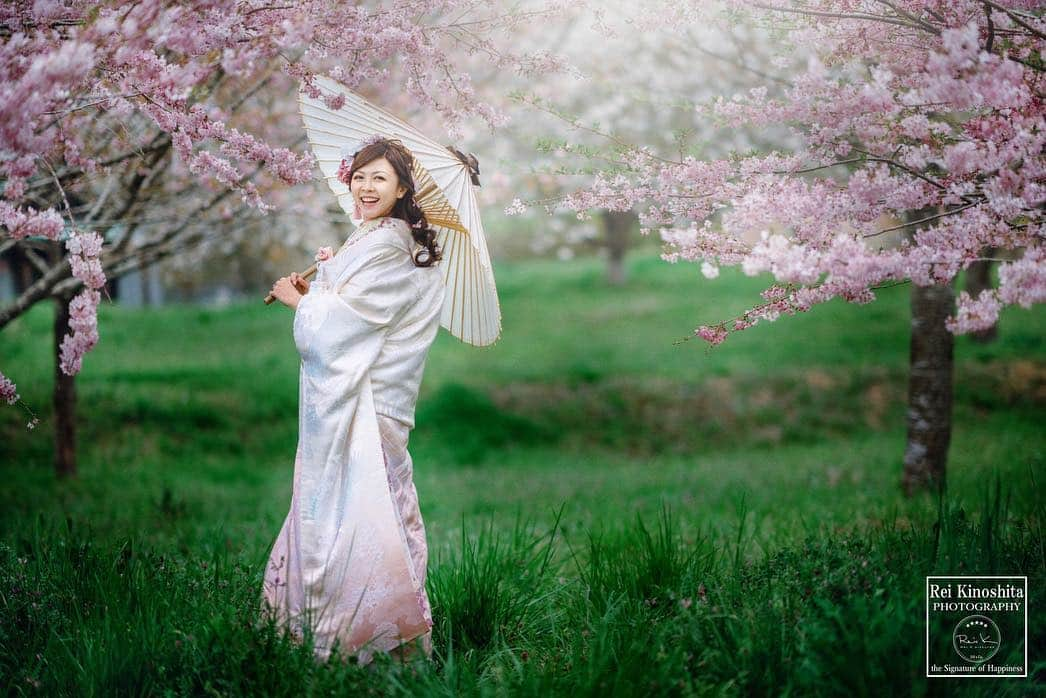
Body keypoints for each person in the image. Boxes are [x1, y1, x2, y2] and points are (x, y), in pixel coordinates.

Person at [262, 137, 444, 664]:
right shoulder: (373, 239)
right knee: (356, 514)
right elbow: (345, 310)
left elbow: (344, 329)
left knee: (370, 517)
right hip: (363, 399)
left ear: (402, 188)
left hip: (372, 404)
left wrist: (305, 301)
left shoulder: (391, 247)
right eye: (360, 176)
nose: (365, 187)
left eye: (379, 178)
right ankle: (346, 635)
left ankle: (365, 641)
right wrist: (319, 291)